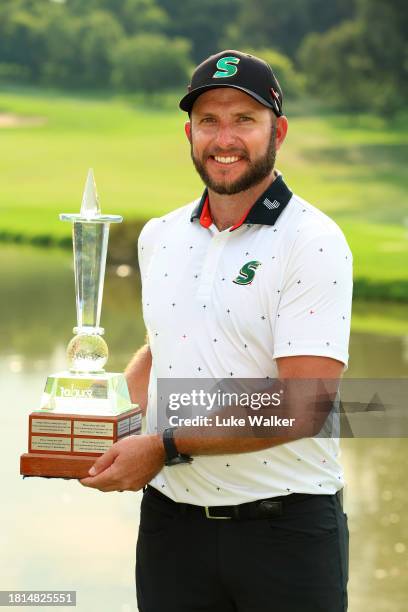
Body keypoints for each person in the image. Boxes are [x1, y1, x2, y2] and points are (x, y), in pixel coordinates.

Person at [81, 50, 353, 612]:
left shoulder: (314, 240)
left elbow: (304, 403)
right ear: (189, 131)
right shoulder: (161, 235)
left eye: (243, 120)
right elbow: (164, 348)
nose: (223, 138)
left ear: (277, 131)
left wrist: (163, 445)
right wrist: (103, 427)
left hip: (284, 532)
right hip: (171, 531)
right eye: (209, 120)